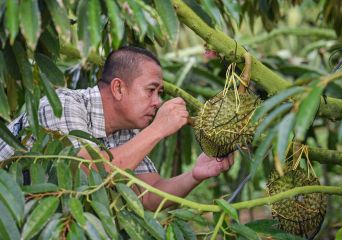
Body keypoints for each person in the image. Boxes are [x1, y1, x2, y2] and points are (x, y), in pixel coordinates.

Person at [0, 46, 234, 211]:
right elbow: (84, 173)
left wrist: (196, 174)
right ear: (119, 88)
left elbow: (149, 195)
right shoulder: (62, 105)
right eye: (151, 90)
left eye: (159, 93)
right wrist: (157, 130)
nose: (157, 102)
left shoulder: (127, 131)